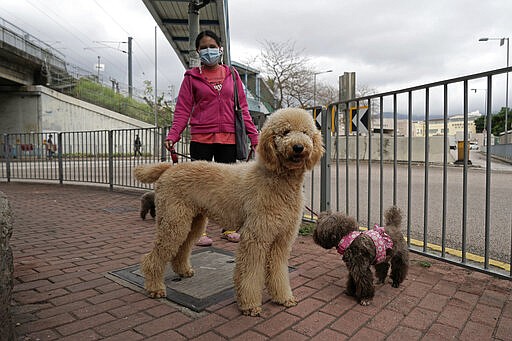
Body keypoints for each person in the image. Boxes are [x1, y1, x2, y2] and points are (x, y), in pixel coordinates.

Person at [164, 30, 259, 246]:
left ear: (220, 49)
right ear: (198, 51)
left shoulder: (232, 75)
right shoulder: (191, 77)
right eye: (204, 47)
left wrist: (254, 137)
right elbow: (182, 109)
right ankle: (199, 231)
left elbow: (242, 109)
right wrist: (173, 135)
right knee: (199, 187)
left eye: (212, 46)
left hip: (229, 138)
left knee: (228, 187)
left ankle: (229, 228)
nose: (209, 50)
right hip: (201, 138)